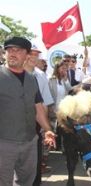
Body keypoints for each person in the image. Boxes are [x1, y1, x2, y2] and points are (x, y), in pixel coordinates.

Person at [0, 36, 56, 186]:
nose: (12, 53)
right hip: (4, 143)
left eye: (17, 50)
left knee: (26, 181)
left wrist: (47, 130)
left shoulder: (32, 79)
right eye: (9, 50)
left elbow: (37, 107)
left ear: (27, 55)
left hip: (30, 142)